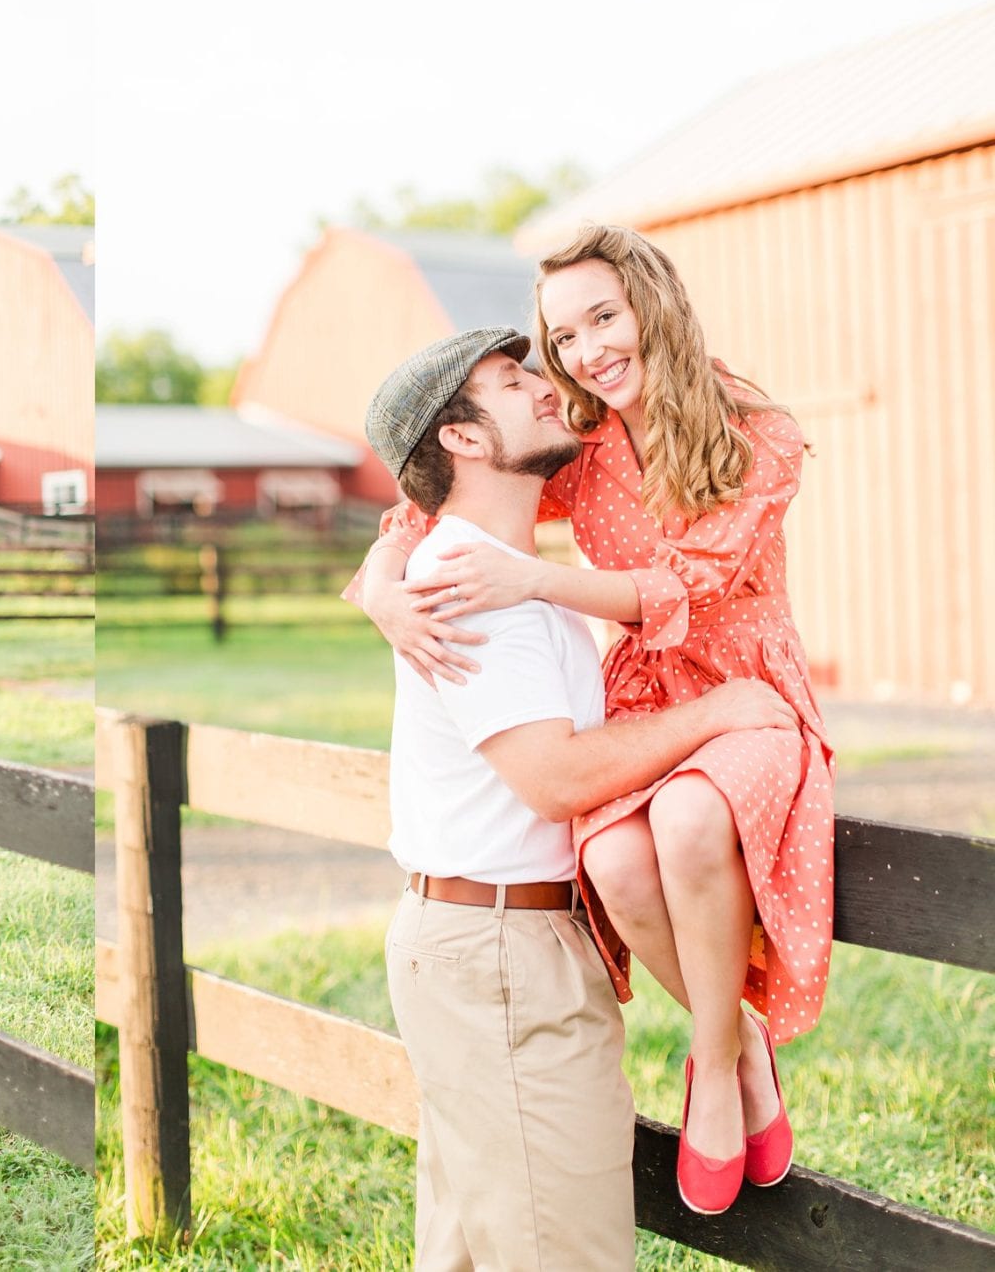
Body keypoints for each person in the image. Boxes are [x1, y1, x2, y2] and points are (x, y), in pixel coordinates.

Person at [350, 225, 832, 1216]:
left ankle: (713, 1058)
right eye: (562, 337)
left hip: (741, 679)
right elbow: (439, 496)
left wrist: (535, 577)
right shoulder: (589, 439)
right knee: (612, 864)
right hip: (648, 690)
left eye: (601, 317)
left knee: (693, 824)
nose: (582, 353)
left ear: (653, 302)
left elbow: (689, 590)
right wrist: (383, 591)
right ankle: (733, 1040)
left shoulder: (760, 431)